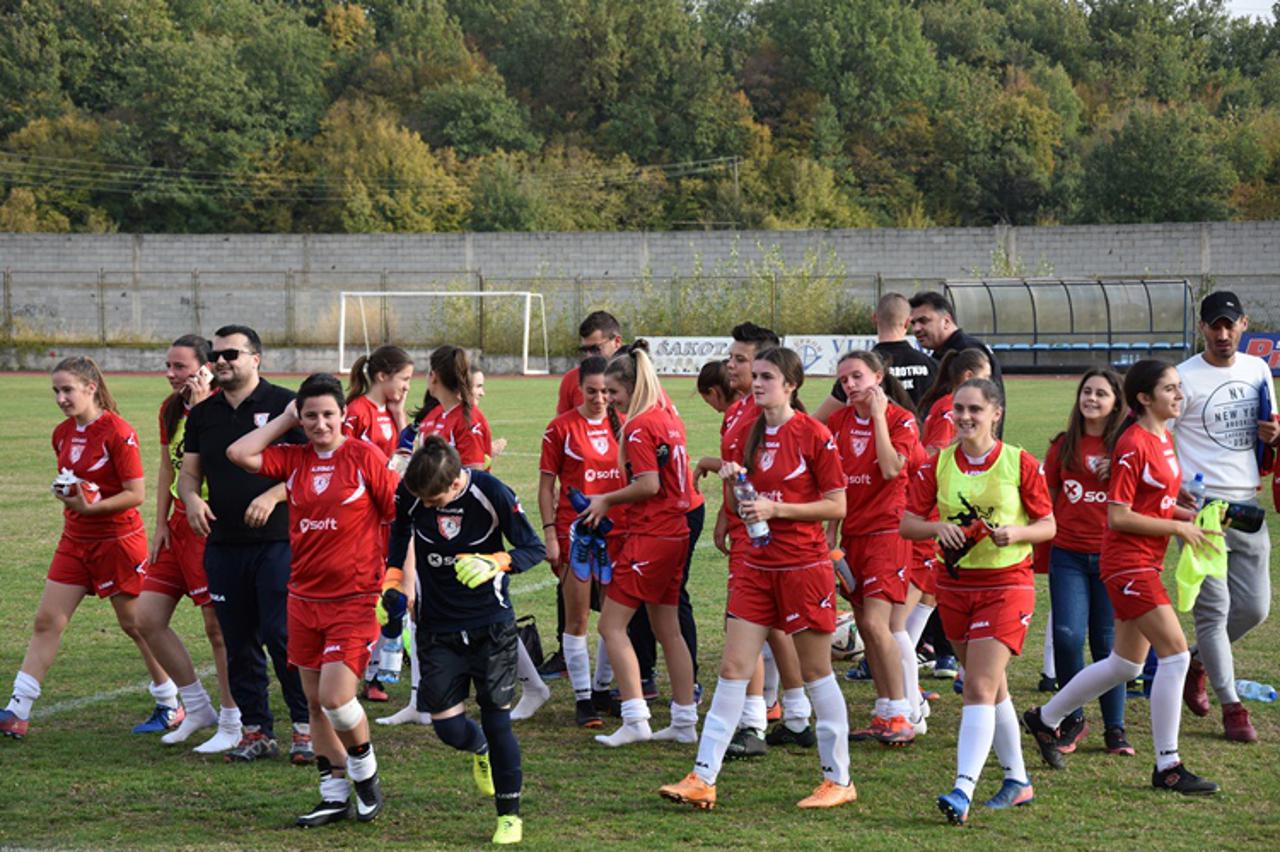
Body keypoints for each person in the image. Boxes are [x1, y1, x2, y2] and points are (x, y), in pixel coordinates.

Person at [660, 347, 854, 810]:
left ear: (791, 385)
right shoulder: (746, 433)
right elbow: (742, 500)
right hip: (754, 566)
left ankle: (839, 779)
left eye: (768, 376)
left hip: (803, 566)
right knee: (733, 668)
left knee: (816, 671)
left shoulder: (813, 434)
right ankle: (703, 776)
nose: (758, 383)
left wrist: (777, 509)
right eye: (758, 375)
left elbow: (837, 504)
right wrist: (734, 482)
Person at [1024, 360, 1221, 796]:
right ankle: (1168, 765)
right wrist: (1178, 528)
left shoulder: (1162, 437)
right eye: (1170, 389)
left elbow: (1153, 503)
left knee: (1125, 664)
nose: (1179, 395)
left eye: (1179, 387)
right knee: (1176, 656)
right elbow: (1120, 515)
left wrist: (1191, 517)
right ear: (1144, 398)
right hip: (1128, 563)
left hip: (1144, 562)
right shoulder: (1133, 443)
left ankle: (1045, 717)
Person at [227, 374, 399, 826]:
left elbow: (398, 516)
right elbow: (239, 454)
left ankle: (365, 774)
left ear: (343, 415)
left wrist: (402, 580)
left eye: (328, 414)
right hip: (303, 598)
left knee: (337, 698)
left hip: (354, 597)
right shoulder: (294, 458)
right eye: (310, 416)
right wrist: (285, 419)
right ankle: (333, 795)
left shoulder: (364, 457)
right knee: (314, 703)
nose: (320, 424)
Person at [900, 377, 1055, 825]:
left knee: (978, 687)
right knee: (991, 686)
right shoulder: (938, 464)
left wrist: (1017, 533)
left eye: (975, 409)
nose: (965, 417)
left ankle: (962, 789)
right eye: (959, 409)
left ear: (995, 414)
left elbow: (1048, 525)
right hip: (954, 585)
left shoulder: (1019, 462)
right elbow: (908, 523)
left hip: (1006, 585)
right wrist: (937, 528)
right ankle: (1017, 780)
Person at [0, 357, 175, 740]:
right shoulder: (62, 433)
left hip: (117, 542)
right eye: (56, 391)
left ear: (91, 387)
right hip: (75, 539)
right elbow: (78, 484)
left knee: (136, 625)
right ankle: (17, 710)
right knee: (47, 621)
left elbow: (136, 494)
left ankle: (170, 702)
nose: (61, 398)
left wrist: (91, 505)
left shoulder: (118, 432)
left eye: (68, 390)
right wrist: (69, 491)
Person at [386, 435, 546, 845]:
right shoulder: (412, 493)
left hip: (490, 625)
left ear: (456, 482)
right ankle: (479, 749)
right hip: (436, 629)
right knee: (448, 729)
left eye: (435, 501)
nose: (428, 507)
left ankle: (509, 816)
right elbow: (400, 532)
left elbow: (534, 548)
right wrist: (392, 581)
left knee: (497, 720)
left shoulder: (492, 492)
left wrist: (496, 562)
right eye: (422, 500)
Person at [178, 325, 312, 764]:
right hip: (223, 544)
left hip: (277, 542)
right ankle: (256, 730)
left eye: (231, 354)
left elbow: (313, 467)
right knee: (236, 640)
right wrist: (192, 499)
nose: (220, 361)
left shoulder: (286, 406)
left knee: (281, 634)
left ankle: (305, 726)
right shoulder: (203, 414)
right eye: (215, 354)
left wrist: (273, 496)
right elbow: (189, 473)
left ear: (256, 358)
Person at [698, 323, 813, 757]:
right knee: (774, 626)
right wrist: (724, 517)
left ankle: (753, 723)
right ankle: (797, 718)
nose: (731, 366)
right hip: (745, 528)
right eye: (731, 358)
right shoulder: (738, 410)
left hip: (765, 536)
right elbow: (737, 473)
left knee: (744, 626)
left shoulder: (764, 415)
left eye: (740, 360)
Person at [580, 346, 697, 748]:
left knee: (610, 625)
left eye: (614, 391)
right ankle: (684, 720)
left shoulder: (640, 425)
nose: (610, 399)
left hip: (653, 534)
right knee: (668, 630)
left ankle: (635, 718)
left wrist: (606, 500)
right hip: (676, 531)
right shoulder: (668, 417)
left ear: (632, 387)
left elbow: (649, 484)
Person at [1174, 291, 1277, 743]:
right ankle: (1232, 707)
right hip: (1203, 511)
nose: (1222, 333)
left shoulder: (1258, 370)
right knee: (1213, 610)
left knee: (1255, 608)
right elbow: (1159, 435)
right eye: (1213, 325)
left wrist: (1274, 435)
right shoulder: (1182, 377)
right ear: (1202, 328)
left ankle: (1196, 660)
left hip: (1247, 506)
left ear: (1243, 325)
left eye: (1229, 325)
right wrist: (1176, 491)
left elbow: (1269, 429)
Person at [135, 335, 241, 752]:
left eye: (180, 367)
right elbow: (168, 467)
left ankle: (233, 719)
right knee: (146, 618)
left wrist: (200, 409)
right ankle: (197, 708)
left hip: (210, 525)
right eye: (169, 365)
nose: (170, 374)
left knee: (218, 628)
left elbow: (220, 460)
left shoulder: (222, 406)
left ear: (205, 369)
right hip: (177, 523)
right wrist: (160, 523)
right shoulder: (170, 408)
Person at [826, 351, 922, 745]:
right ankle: (886, 711)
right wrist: (832, 533)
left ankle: (902, 712)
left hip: (888, 531)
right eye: (844, 380)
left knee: (878, 625)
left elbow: (890, 468)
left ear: (878, 377)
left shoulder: (901, 420)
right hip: (853, 534)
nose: (850, 385)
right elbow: (835, 482)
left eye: (857, 377)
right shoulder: (838, 422)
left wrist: (879, 417)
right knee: (866, 624)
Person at [1040, 369, 1133, 756]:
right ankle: (1072, 719)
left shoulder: (1127, 447)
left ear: (1117, 402)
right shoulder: (1063, 445)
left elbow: (1143, 497)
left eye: (1101, 393)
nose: (1091, 399)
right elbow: (1045, 500)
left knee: (1108, 645)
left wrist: (1119, 472)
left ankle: (1115, 728)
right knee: (1067, 637)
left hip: (1112, 557)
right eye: (1086, 392)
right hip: (1068, 556)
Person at [541, 311, 626, 682]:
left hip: (616, 532)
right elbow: (547, 485)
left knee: (612, 620)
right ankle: (584, 698)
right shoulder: (560, 427)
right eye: (591, 391)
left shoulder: (625, 424)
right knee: (576, 620)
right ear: (579, 388)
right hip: (574, 533)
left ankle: (604, 687)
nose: (599, 398)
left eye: (606, 392)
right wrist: (550, 534)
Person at [913, 348, 992, 685]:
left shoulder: (943, 405)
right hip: (945, 511)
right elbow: (935, 454)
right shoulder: (951, 409)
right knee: (949, 584)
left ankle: (932, 657)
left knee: (932, 591)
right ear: (968, 377)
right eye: (986, 375)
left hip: (944, 509)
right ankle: (950, 663)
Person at [343, 345, 414, 705]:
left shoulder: (389, 411)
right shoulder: (357, 411)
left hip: (392, 513)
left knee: (393, 589)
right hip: (366, 520)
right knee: (372, 593)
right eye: (403, 379)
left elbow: (405, 453)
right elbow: (345, 458)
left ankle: (378, 675)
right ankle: (359, 671)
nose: (406, 387)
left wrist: (399, 414)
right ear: (382, 376)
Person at [814, 292, 938, 421]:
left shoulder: (857, 370)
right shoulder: (933, 366)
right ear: (908, 323)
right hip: (919, 433)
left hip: (876, 433)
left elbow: (819, 420)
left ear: (874, 319)